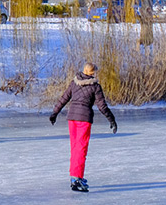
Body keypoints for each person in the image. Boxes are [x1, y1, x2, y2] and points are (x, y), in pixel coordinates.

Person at [49, 62, 117, 193]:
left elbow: (64, 98)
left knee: (75, 148)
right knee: (81, 150)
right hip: (83, 120)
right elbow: (102, 106)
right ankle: (76, 179)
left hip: (72, 119)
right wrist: (112, 119)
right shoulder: (95, 86)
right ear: (93, 73)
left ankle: (75, 176)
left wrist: (55, 113)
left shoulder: (74, 82)